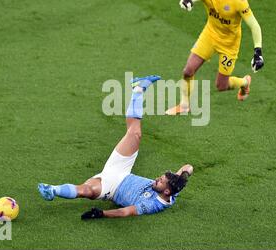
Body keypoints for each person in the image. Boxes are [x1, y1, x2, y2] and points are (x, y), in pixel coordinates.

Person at [38, 75, 194, 219]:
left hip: (111, 188)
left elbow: (125, 212)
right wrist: (183, 174)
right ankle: (138, 88)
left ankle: (52, 189)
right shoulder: (173, 189)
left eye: (159, 181)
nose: (155, 180)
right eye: (159, 178)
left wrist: (101, 213)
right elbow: (189, 166)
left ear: (166, 191)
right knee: (135, 134)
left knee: (86, 191)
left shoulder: (152, 205)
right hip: (122, 170)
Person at [165, 0, 265, 115]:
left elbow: (254, 25)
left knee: (221, 86)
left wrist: (258, 51)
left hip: (229, 45)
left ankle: (244, 82)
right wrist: (187, 0)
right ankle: (184, 106)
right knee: (188, 71)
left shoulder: (238, 1)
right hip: (210, 36)